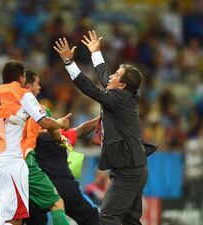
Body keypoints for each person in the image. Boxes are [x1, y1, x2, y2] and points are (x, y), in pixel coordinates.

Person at [53, 30, 148, 225]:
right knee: (130, 220)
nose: (111, 75)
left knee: (108, 217)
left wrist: (69, 63)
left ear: (121, 85)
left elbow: (90, 88)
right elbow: (105, 76)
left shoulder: (118, 98)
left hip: (128, 171)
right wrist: (95, 52)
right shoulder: (122, 95)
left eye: (116, 74)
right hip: (132, 168)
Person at [0, 60, 71, 225]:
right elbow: (44, 122)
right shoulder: (22, 94)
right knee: (14, 219)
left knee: (6, 216)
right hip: (11, 163)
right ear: (22, 78)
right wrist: (61, 124)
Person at [23, 70, 101, 225]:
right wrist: (101, 118)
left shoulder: (24, 140)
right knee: (92, 217)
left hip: (35, 189)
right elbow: (81, 130)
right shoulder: (57, 136)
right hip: (66, 187)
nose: (39, 87)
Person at [21, 70, 69, 225]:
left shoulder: (6, 106)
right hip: (27, 163)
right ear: (28, 85)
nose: (40, 87)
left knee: (6, 214)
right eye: (37, 83)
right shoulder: (41, 110)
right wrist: (60, 129)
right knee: (56, 202)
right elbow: (52, 131)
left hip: (1, 163)